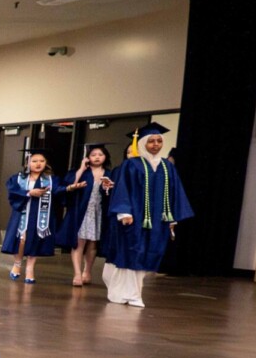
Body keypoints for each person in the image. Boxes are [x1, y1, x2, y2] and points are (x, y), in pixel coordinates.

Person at [103, 121, 193, 308]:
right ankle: (124, 293)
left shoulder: (167, 168)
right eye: (151, 141)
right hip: (133, 218)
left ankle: (132, 293)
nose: (155, 145)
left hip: (158, 220)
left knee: (147, 254)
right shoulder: (131, 165)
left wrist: (172, 218)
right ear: (143, 143)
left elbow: (175, 193)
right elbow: (122, 189)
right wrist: (124, 212)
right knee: (131, 253)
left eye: (159, 141)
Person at [55, 143, 114, 285]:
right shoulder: (81, 172)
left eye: (100, 154)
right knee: (78, 242)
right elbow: (69, 184)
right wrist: (82, 168)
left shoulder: (109, 173)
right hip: (81, 211)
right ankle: (77, 274)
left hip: (98, 211)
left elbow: (113, 194)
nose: (97, 157)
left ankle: (87, 271)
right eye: (93, 155)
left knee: (93, 243)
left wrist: (109, 188)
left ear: (105, 157)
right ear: (87, 157)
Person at [2, 149, 58, 283]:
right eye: (34, 161)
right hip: (22, 212)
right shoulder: (18, 178)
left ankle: (30, 268)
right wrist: (29, 193)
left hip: (39, 215)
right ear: (28, 162)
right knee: (21, 239)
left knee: (35, 240)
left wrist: (70, 188)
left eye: (42, 161)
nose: (38, 164)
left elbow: (59, 190)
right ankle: (17, 264)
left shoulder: (50, 179)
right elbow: (13, 191)